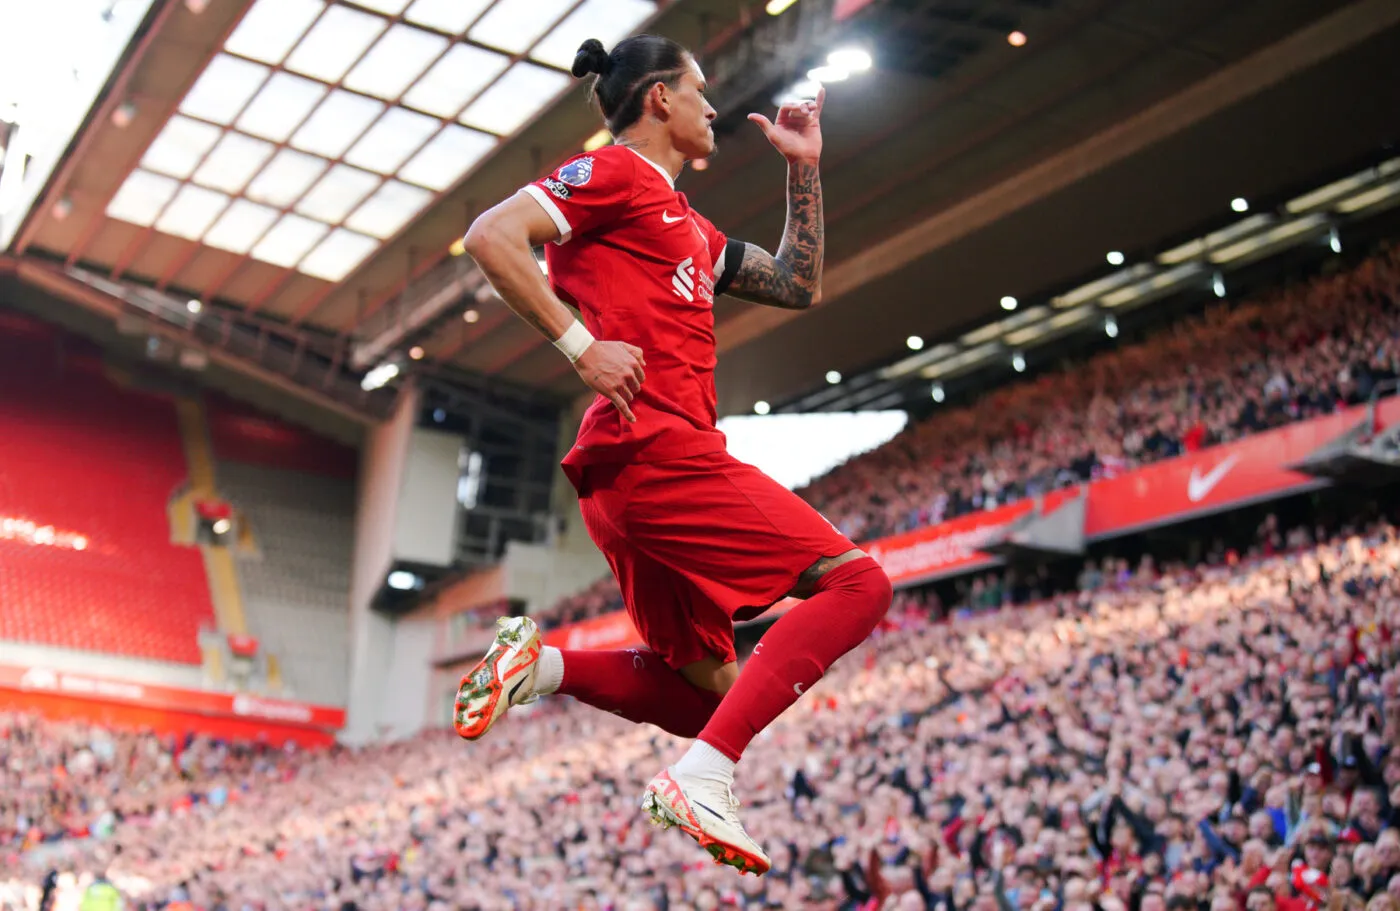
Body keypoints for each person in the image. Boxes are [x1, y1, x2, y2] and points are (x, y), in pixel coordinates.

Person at [454, 34, 893, 876]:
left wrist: (803, 166)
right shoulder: (616, 175)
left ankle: (539, 666)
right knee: (860, 583)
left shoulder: (685, 223)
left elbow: (798, 284)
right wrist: (581, 344)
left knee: (707, 699)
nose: (712, 107)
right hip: (661, 454)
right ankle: (705, 780)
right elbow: (490, 236)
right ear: (659, 98)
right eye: (699, 91)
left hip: (627, 479)